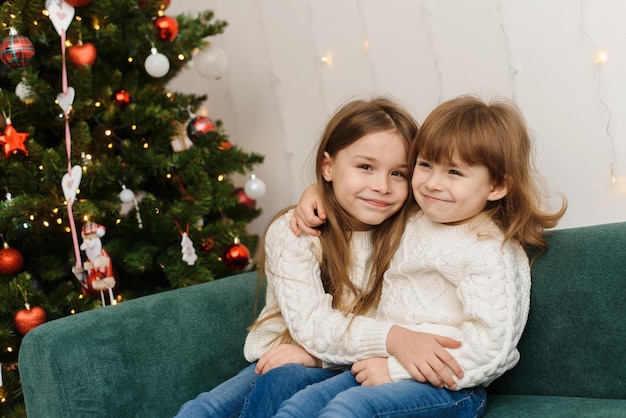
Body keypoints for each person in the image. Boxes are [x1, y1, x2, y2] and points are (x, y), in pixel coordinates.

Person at [276, 95, 567, 417]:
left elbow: (491, 351)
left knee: (350, 409)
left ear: (496, 186)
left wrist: (397, 369)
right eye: (425, 165)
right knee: (300, 406)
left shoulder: (489, 249)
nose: (432, 183)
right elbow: (359, 196)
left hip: (448, 387)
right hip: (378, 364)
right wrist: (318, 192)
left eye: (454, 172)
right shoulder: (411, 219)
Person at [175, 96, 462, 417]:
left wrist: (318, 359)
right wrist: (390, 341)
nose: (381, 186)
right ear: (327, 166)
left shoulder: (413, 232)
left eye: (398, 173)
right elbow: (312, 326)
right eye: (365, 166)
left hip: (358, 364)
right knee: (206, 409)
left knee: (285, 384)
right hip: (288, 352)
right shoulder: (295, 230)